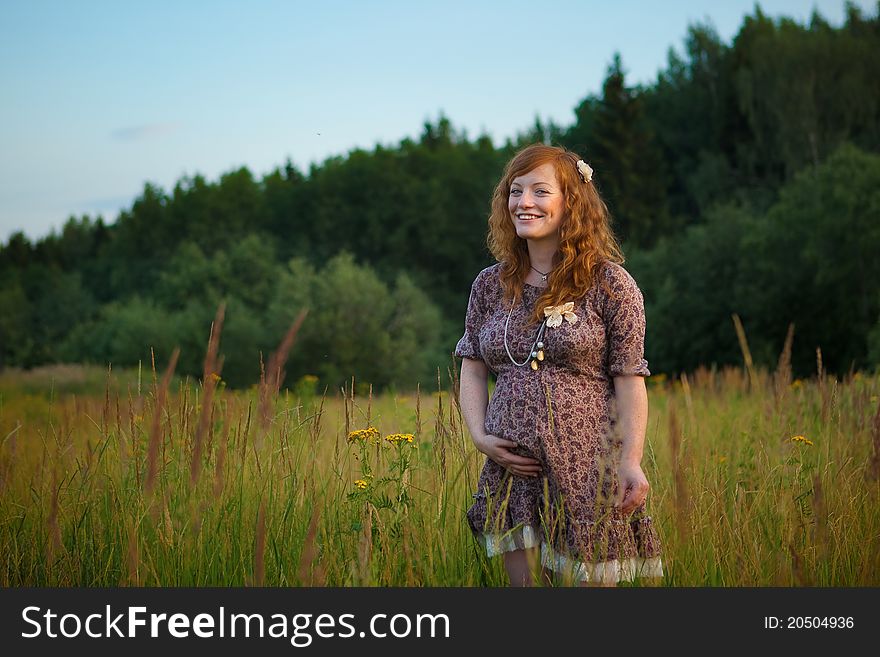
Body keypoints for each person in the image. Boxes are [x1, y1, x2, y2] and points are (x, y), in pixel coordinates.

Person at [455, 144, 663, 587]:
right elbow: (471, 365)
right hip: (515, 473)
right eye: (515, 191)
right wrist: (480, 437)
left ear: (571, 201)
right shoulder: (490, 285)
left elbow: (630, 379)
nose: (523, 202)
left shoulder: (610, 285)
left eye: (540, 191)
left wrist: (632, 460)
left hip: (588, 471)